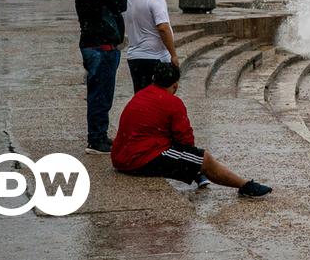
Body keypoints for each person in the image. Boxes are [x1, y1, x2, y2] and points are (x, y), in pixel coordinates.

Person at [111, 63, 272, 197]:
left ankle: (199, 175)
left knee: (184, 153)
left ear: (154, 79)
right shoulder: (173, 102)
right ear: (175, 85)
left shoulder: (141, 94)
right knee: (203, 159)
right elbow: (186, 142)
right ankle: (244, 186)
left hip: (120, 156)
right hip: (138, 160)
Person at [75, 0, 127, 154]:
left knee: (100, 94)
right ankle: (96, 140)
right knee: (100, 95)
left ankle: (100, 135)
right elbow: (121, 4)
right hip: (100, 49)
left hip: (95, 46)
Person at [124, 0, 178, 93]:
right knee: (159, 97)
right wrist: (173, 55)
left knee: (141, 96)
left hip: (135, 58)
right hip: (155, 58)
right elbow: (163, 28)